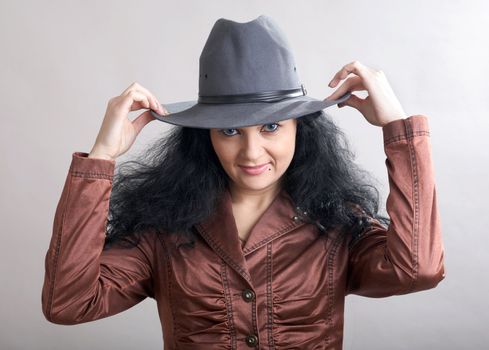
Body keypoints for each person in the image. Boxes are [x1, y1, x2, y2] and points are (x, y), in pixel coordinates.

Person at [41, 15, 445, 349]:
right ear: (206, 136)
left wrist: (399, 129)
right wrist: (101, 157)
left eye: (271, 127)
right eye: (231, 131)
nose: (252, 153)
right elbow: (69, 303)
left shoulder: (337, 224)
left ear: (300, 129)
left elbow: (418, 269)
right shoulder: (161, 232)